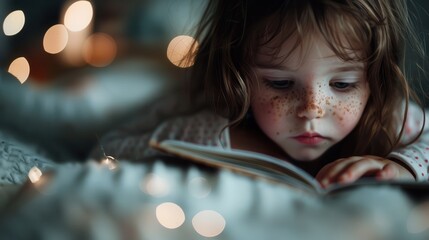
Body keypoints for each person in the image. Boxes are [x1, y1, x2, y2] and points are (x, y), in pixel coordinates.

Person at [91, 0, 429, 187]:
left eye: (343, 85)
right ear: (237, 72)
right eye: (280, 84)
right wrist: (224, 137)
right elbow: (106, 152)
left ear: (374, 80)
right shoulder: (209, 101)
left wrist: (403, 167)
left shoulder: (386, 116)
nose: (312, 109)